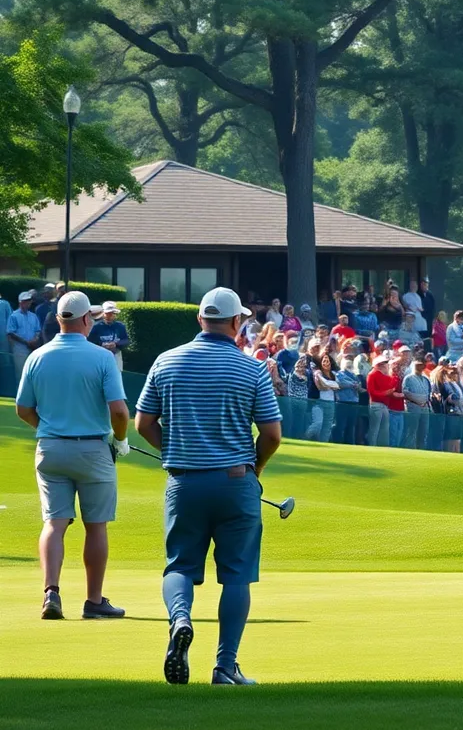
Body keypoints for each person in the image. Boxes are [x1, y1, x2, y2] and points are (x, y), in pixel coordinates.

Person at [134, 287, 283, 685]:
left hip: (184, 482)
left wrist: (177, 450)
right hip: (236, 481)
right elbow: (272, 434)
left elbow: (142, 424)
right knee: (236, 575)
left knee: (180, 565)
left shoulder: (166, 361)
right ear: (237, 324)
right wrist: (257, 468)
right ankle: (224, 666)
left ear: (200, 320)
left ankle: (180, 619)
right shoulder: (251, 368)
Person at [16, 291, 130, 620]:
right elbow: (120, 412)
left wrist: (48, 427)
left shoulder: (38, 356)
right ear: (83, 320)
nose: (93, 321)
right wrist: (119, 439)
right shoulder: (102, 358)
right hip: (93, 449)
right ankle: (94, 601)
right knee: (96, 526)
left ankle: (51, 592)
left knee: (54, 523)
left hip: (50, 449)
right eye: (91, 317)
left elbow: (24, 409)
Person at [87, 301, 130, 371]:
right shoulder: (96, 327)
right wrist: (102, 344)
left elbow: (126, 341)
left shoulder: (120, 326)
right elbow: (90, 341)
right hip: (100, 357)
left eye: (112, 314)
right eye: (108, 314)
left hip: (116, 357)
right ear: (103, 313)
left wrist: (115, 344)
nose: (110, 316)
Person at [7, 290, 41, 379]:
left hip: (33, 348)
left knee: (32, 373)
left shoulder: (33, 316)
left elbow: (38, 330)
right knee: (21, 374)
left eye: (29, 301)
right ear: (21, 302)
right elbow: (11, 332)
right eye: (26, 301)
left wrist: (35, 340)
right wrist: (26, 342)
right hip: (20, 349)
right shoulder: (14, 316)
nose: (28, 303)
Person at [365, 354, 396, 446]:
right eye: (385, 363)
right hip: (376, 404)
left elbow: (392, 386)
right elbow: (372, 392)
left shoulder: (385, 376)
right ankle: (372, 446)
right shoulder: (372, 375)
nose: (387, 365)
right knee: (375, 428)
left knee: (384, 428)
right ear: (380, 364)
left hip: (384, 405)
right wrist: (386, 393)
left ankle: (382, 447)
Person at [307, 354, 339, 443]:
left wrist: (328, 384)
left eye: (327, 361)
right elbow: (321, 387)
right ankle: (305, 437)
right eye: (324, 361)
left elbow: (337, 386)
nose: (326, 363)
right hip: (319, 402)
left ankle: (323, 444)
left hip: (331, 403)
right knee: (318, 423)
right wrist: (330, 385)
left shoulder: (333, 374)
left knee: (327, 427)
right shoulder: (318, 373)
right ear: (320, 363)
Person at [402, 357, 432, 450]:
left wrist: (424, 402)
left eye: (421, 365)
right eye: (417, 365)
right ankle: (409, 450)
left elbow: (428, 393)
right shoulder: (408, 378)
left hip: (424, 408)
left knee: (423, 432)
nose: (419, 367)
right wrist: (418, 400)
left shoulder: (426, 379)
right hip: (413, 407)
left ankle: (421, 450)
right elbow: (406, 393)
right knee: (412, 431)